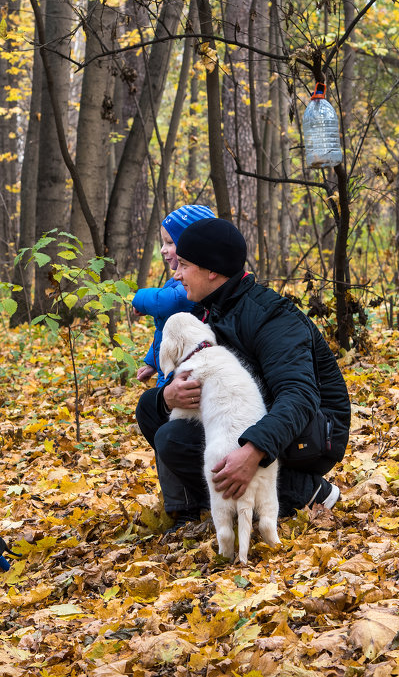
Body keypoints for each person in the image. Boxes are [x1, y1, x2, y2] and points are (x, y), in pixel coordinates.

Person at [135, 217, 351, 528]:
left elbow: (299, 396)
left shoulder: (271, 317)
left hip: (315, 431)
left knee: (174, 438)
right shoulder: (214, 308)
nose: (176, 273)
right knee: (152, 407)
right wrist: (169, 396)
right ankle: (191, 511)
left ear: (212, 270)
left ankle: (307, 491)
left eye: (184, 264)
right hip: (253, 413)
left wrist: (253, 451)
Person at [132, 204, 216, 385]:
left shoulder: (190, 285)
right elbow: (164, 332)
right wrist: (153, 363)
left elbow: (165, 302)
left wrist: (138, 298)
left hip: (181, 370)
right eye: (163, 243)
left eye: (170, 243)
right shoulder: (178, 279)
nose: (163, 249)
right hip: (169, 364)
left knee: (167, 406)